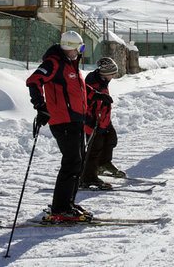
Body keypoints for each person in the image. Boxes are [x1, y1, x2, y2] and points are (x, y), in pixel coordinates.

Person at [26, 31, 112, 223]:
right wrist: (41, 106)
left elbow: (76, 89)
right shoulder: (54, 63)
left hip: (76, 119)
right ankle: (60, 208)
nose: (80, 52)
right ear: (69, 47)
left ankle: (68, 203)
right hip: (63, 121)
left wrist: (96, 95)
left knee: (78, 162)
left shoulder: (69, 64)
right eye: (79, 48)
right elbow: (33, 81)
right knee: (72, 162)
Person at [81, 57, 125, 190]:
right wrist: (92, 119)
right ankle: (88, 177)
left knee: (111, 139)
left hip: (104, 120)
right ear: (105, 73)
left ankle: (104, 163)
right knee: (95, 148)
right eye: (112, 73)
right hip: (93, 121)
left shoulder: (102, 79)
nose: (113, 76)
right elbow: (86, 103)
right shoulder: (92, 82)